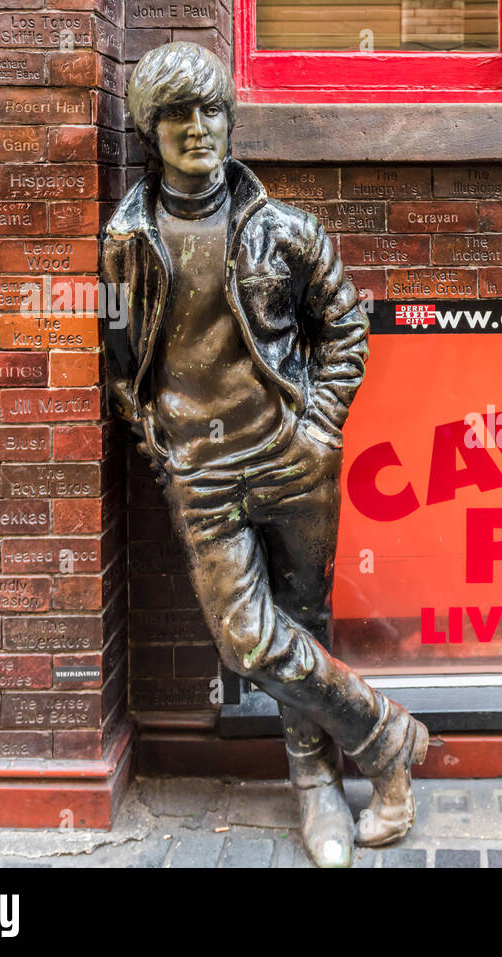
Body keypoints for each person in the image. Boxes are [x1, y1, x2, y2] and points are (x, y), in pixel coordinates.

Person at [101, 41, 427, 868]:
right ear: (150, 128)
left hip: (294, 460)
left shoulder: (284, 229)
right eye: (178, 114)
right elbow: (119, 361)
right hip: (203, 474)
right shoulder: (127, 240)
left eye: (212, 110)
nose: (199, 128)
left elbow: (347, 325)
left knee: (302, 623)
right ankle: (388, 740)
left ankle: (319, 786)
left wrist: (318, 428)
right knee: (250, 641)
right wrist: (164, 446)